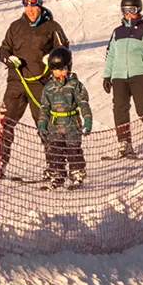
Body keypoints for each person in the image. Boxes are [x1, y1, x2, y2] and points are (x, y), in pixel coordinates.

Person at [0, 0, 69, 178]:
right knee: (5, 123)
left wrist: (53, 59)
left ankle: (55, 168)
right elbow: (4, 49)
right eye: (26, 5)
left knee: (45, 125)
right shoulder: (15, 27)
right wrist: (8, 58)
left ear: (40, 5)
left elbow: (64, 51)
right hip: (17, 81)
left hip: (41, 83)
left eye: (33, 5)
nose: (30, 9)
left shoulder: (52, 27)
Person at [102, 0, 143, 159]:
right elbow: (110, 54)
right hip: (119, 76)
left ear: (139, 10)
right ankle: (124, 143)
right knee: (119, 109)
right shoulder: (117, 32)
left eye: (132, 10)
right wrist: (107, 76)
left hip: (140, 74)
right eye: (125, 10)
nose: (128, 14)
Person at [37, 47, 92, 190]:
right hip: (54, 126)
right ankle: (57, 176)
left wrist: (87, 120)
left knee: (73, 151)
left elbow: (83, 104)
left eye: (62, 69)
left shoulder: (74, 85)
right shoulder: (49, 87)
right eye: (55, 70)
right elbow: (44, 108)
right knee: (55, 151)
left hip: (72, 124)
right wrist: (42, 124)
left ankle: (77, 175)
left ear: (68, 67)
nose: (59, 73)